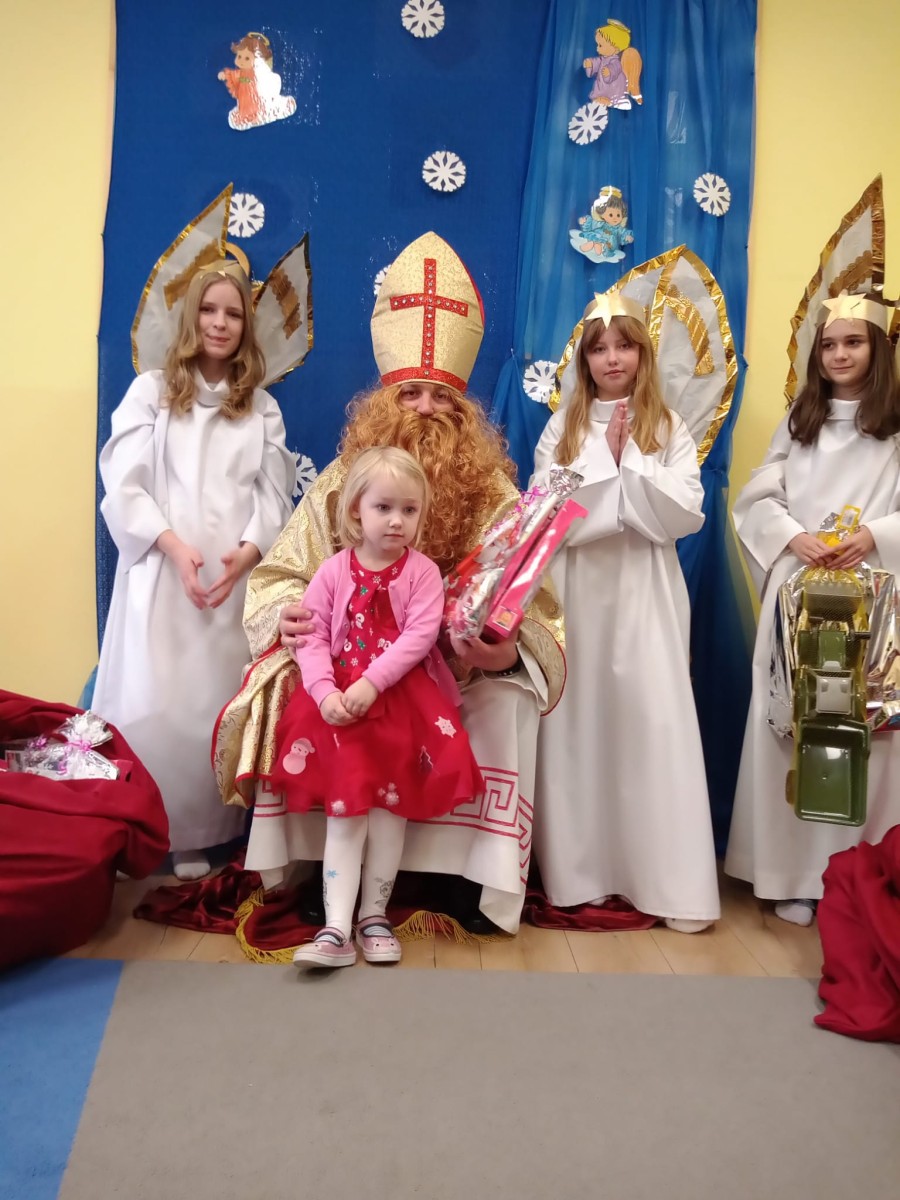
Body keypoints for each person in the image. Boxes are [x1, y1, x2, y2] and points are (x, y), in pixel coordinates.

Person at [213, 232, 565, 934]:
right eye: (411, 392)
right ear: (384, 400)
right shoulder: (346, 481)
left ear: (463, 407)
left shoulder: (494, 490)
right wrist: (287, 615)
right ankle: (319, 871)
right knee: (292, 681)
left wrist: (506, 649)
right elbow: (283, 573)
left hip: (455, 674)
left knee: (510, 701)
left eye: (441, 395)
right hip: (350, 664)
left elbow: (535, 604)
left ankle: (466, 879)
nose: (426, 408)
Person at [93, 262, 295, 880]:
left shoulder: (260, 408)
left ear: (246, 327)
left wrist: (248, 553)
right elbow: (124, 482)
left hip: (225, 587)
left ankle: (198, 837)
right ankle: (135, 830)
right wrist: (174, 547)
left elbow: (273, 494)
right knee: (151, 702)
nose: (220, 323)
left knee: (212, 705)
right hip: (160, 574)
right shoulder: (152, 393)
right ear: (191, 316)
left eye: (233, 314)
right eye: (209, 310)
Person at [530, 292, 720, 931]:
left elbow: (686, 509)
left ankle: (666, 881)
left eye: (624, 346)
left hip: (644, 590)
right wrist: (603, 462)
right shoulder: (562, 427)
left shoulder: (667, 426)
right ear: (584, 360)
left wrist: (627, 462)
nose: (612, 359)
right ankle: (579, 873)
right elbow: (544, 508)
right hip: (578, 591)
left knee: (649, 719)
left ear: (643, 353)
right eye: (599, 349)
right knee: (582, 721)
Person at [725, 292, 900, 925]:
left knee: (864, 732)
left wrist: (876, 534)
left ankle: (859, 874)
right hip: (801, 594)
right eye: (829, 344)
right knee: (796, 726)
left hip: (873, 599)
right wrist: (791, 536)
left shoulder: (895, 427)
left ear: (878, 350)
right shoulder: (801, 421)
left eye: (853, 342)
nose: (839, 354)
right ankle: (793, 876)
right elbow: (757, 498)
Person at [272, 446, 483, 967]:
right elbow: (312, 636)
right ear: (355, 510)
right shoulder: (332, 571)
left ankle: (374, 916)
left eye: (409, 510)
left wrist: (371, 683)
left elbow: (418, 637)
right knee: (345, 816)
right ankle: (335, 927)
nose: (396, 521)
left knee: (391, 814)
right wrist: (324, 692)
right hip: (342, 710)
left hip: (400, 708)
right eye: (384, 507)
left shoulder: (423, 573)